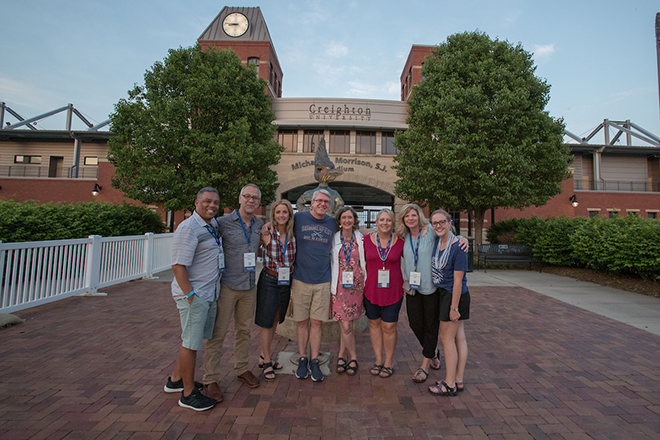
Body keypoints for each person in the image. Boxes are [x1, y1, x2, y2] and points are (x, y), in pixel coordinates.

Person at [397, 204, 470, 384]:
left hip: (432, 288)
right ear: (403, 220)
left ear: (419, 216)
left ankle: (425, 364)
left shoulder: (429, 230)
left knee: (431, 326)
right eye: (407, 216)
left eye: (413, 215)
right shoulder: (402, 236)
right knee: (415, 323)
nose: (411, 219)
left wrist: (463, 238)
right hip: (412, 287)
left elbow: (447, 233)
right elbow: (377, 231)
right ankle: (433, 353)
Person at [203, 184, 263, 400]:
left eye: (255, 198)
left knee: (244, 331)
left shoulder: (259, 224)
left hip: (249, 286)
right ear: (240, 198)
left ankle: (241, 369)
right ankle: (210, 378)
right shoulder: (223, 223)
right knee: (218, 334)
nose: (251, 201)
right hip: (227, 285)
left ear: (258, 202)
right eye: (247, 196)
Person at [164, 187, 222, 411]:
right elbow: (178, 265)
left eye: (215, 202)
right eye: (207, 201)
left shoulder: (211, 225)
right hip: (194, 296)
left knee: (192, 340)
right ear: (196, 203)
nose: (212, 206)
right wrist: (190, 296)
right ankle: (188, 395)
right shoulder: (188, 228)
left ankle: (176, 381)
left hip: (208, 294)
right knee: (190, 344)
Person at [290, 189, 336, 381]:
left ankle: (314, 360)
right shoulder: (298, 218)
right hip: (300, 279)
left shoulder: (333, 223)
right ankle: (302, 357)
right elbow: (280, 225)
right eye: (319, 200)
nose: (322, 204)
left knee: (317, 323)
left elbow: (353, 230)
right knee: (302, 322)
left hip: (323, 280)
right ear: (312, 202)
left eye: (326, 202)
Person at [428, 209, 470, 396]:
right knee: (458, 336)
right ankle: (458, 379)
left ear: (449, 222)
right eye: (435, 223)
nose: (438, 225)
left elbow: (458, 281)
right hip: (444, 293)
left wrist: (454, 307)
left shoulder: (458, 247)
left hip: (454, 296)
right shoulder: (438, 242)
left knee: (446, 339)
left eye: (442, 222)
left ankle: (449, 383)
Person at [255, 199, 296, 381]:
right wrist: (266, 225)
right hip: (270, 279)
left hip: (286, 282)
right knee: (266, 321)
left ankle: (265, 356)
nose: (281, 215)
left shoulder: (293, 233)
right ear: (274, 214)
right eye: (278, 212)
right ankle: (267, 361)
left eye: (284, 212)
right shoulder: (266, 232)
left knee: (275, 321)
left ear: (289, 215)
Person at [363, 208, 404, 378]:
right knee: (374, 324)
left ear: (393, 223)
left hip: (393, 290)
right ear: (376, 222)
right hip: (371, 290)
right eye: (382, 220)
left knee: (389, 326)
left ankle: (389, 361)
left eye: (388, 220)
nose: (385, 223)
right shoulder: (365, 240)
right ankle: (378, 359)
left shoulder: (401, 241)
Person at [330, 206, 366, 376]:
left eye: (350, 217)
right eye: (344, 217)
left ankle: (340, 356)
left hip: (356, 287)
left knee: (349, 324)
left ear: (354, 220)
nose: (347, 220)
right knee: (345, 325)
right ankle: (353, 357)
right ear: (339, 220)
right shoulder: (333, 239)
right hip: (338, 287)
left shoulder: (361, 238)